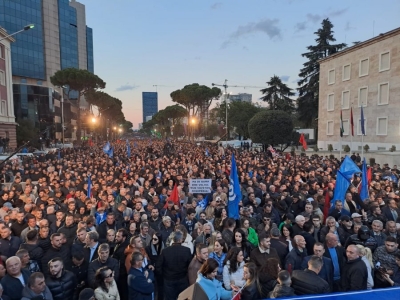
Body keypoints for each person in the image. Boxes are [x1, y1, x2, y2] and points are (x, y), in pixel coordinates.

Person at [156, 231, 192, 300]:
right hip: (182, 280)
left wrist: (163, 276)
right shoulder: (187, 250)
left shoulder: (165, 251)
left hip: (169, 280)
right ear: (180, 240)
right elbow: (190, 266)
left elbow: (158, 266)